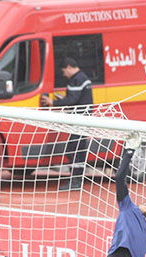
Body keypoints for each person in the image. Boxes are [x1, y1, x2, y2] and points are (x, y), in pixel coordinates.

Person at [41, 57, 92, 191]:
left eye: (64, 71)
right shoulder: (83, 78)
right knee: (77, 150)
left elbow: (72, 100)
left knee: (73, 150)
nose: (64, 74)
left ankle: (75, 181)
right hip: (82, 120)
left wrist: (53, 102)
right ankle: (76, 180)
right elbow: (76, 99)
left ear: (69, 67)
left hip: (79, 121)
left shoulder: (77, 79)